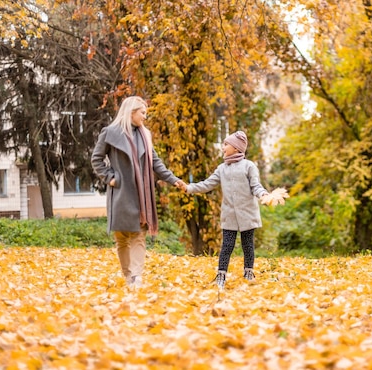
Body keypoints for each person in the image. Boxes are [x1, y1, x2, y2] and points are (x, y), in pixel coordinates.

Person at [91, 96, 185, 288]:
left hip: (142, 195)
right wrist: (110, 177)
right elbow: (96, 159)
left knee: (139, 234)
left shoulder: (145, 135)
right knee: (122, 237)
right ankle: (128, 275)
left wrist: (173, 180)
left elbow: (156, 163)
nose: (145, 117)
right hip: (121, 192)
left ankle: (136, 277)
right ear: (131, 112)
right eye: (143, 112)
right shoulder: (110, 132)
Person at [177, 131, 268, 289]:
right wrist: (189, 188)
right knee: (227, 245)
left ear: (236, 148)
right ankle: (221, 275)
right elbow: (207, 184)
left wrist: (263, 194)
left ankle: (248, 272)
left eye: (226, 144)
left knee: (248, 244)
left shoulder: (249, 166)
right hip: (229, 214)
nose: (223, 147)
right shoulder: (222, 168)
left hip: (247, 213)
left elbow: (256, 186)